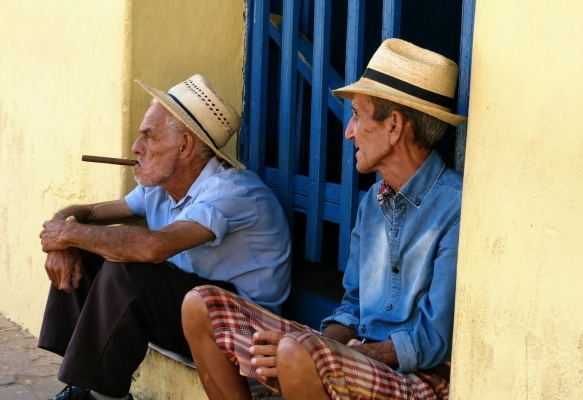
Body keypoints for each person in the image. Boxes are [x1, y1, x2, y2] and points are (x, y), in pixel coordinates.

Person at [181, 39, 467, 400]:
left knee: (297, 353)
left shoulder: (455, 209)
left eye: (358, 116)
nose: (348, 132)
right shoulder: (372, 204)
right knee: (201, 306)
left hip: (420, 380)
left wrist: (326, 352)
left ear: (394, 125)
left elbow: (434, 339)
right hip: (357, 357)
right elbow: (352, 307)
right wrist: (314, 344)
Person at [38, 74, 292, 400]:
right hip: (192, 308)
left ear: (184, 145)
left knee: (126, 267)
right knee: (90, 253)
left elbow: (152, 248)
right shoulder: (160, 187)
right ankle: (83, 387)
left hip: (246, 329)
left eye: (149, 136)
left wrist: (68, 233)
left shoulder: (232, 192)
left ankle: (105, 396)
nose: (136, 147)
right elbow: (86, 213)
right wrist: (65, 238)